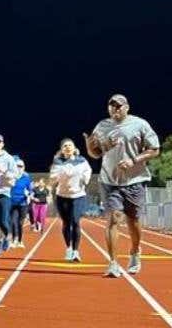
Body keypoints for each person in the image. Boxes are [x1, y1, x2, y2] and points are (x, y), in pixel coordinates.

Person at [84, 94, 160, 277]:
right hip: (109, 180)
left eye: (119, 106)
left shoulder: (140, 124)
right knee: (113, 218)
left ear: (127, 107)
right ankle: (113, 263)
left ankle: (134, 252)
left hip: (134, 180)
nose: (115, 109)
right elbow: (95, 154)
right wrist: (89, 147)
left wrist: (134, 160)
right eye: (112, 106)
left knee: (133, 220)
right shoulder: (102, 126)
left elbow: (155, 149)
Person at [49, 138, 93, 261]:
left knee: (75, 221)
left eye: (70, 145)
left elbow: (88, 171)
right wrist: (56, 178)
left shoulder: (82, 161)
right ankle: (68, 248)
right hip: (62, 196)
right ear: (62, 150)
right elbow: (53, 177)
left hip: (78, 195)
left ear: (74, 149)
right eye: (65, 146)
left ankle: (75, 251)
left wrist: (85, 179)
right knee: (66, 223)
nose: (67, 147)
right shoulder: (58, 162)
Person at [8, 157, 32, 248]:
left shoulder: (26, 178)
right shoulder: (11, 177)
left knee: (20, 223)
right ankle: (14, 240)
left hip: (23, 203)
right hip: (12, 203)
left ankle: (20, 241)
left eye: (21, 166)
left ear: (24, 167)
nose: (19, 168)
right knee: (13, 222)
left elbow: (30, 190)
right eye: (17, 166)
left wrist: (28, 193)